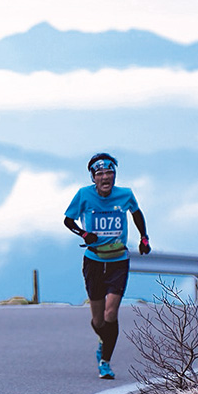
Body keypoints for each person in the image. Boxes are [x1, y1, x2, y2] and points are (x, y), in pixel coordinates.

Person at [63, 152, 151, 379]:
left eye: (110, 172)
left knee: (111, 313)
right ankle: (104, 340)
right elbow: (68, 220)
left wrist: (144, 238)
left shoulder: (125, 194)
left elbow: (136, 213)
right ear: (93, 177)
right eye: (100, 173)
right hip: (93, 261)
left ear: (115, 175)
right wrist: (83, 233)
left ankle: (105, 361)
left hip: (118, 262)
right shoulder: (84, 195)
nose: (105, 177)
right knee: (98, 320)